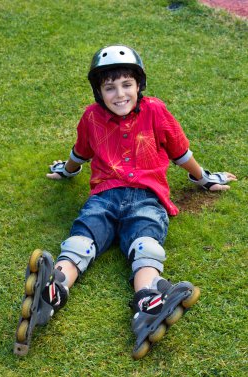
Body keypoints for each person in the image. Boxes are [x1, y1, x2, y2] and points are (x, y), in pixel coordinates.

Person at [14, 45, 237, 359]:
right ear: (99, 91)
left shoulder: (156, 110)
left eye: (126, 85)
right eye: (109, 87)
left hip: (147, 197)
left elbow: (180, 152)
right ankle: (53, 290)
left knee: (146, 243)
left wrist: (203, 178)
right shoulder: (91, 117)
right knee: (82, 238)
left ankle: (147, 302)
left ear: (139, 85)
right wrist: (65, 171)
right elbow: (81, 152)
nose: (119, 94)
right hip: (104, 195)